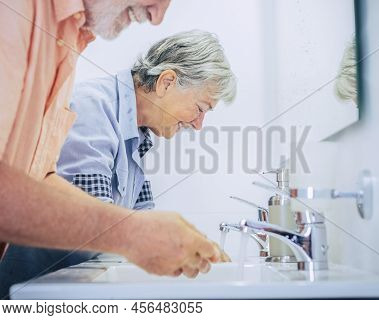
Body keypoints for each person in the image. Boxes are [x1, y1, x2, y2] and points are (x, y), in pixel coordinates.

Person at [0, 0, 223, 298]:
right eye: (200, 108)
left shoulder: (137, 135)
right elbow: (106, 231)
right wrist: (136, 234)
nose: (157, 17)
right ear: (167, 82)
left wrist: (172, 240)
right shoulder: (15, 15)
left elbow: (40, 177)